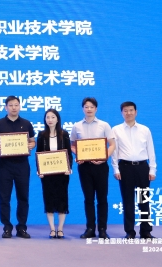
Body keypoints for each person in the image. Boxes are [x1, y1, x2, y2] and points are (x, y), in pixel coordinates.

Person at [70, 97, 116, 239]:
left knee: (102, 198)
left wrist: (104, 157)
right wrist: (79, 155)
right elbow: (72, 145)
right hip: (85, 167)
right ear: (82, 109)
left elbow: (112, 145)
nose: (89, 109)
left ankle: (102, 229)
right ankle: (90, 228)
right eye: (86, 107)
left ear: (96, 109)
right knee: (88, 198)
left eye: (91, 107)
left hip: (101, 167)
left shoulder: (104, 125)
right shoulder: (77, 126)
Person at [0, 96, 36, 239]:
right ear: (6, 107)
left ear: (20, 106)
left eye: (16, 105)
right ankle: (7, 227)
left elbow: (32, 141)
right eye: (10, 105)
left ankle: (22, 227)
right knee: (4, 197)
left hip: (22, 165)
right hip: (4, 166)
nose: (13, 107)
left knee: (23, 197)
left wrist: (31, 145)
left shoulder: (26, 123)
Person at [111, 101, 157, 239]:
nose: (128, 113)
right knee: (128, 201)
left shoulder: (145, 129)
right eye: (125, 111)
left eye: (131, 110)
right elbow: (114, 151)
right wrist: (115, 168)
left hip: (142, 167)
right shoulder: (116, 130)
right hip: (125, 168)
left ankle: (146, 231)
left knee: (144, 200)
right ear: (122, 113)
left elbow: (151, 150)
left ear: (136, 112)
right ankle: (130, 231)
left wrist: (152, 169)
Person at [36, 109, 72, 239]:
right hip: (47, 174)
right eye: (48, 117)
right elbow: (38, 153)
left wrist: (69, 168)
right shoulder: (41, 135)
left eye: (53, 117)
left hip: (62, 173)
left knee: (62, 199)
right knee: (49, 199)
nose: (50, 120)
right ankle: (52, 229)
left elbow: (68, 153)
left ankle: (60, 229)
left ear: (57, 119)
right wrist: (39, 170)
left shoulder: (64, 134)